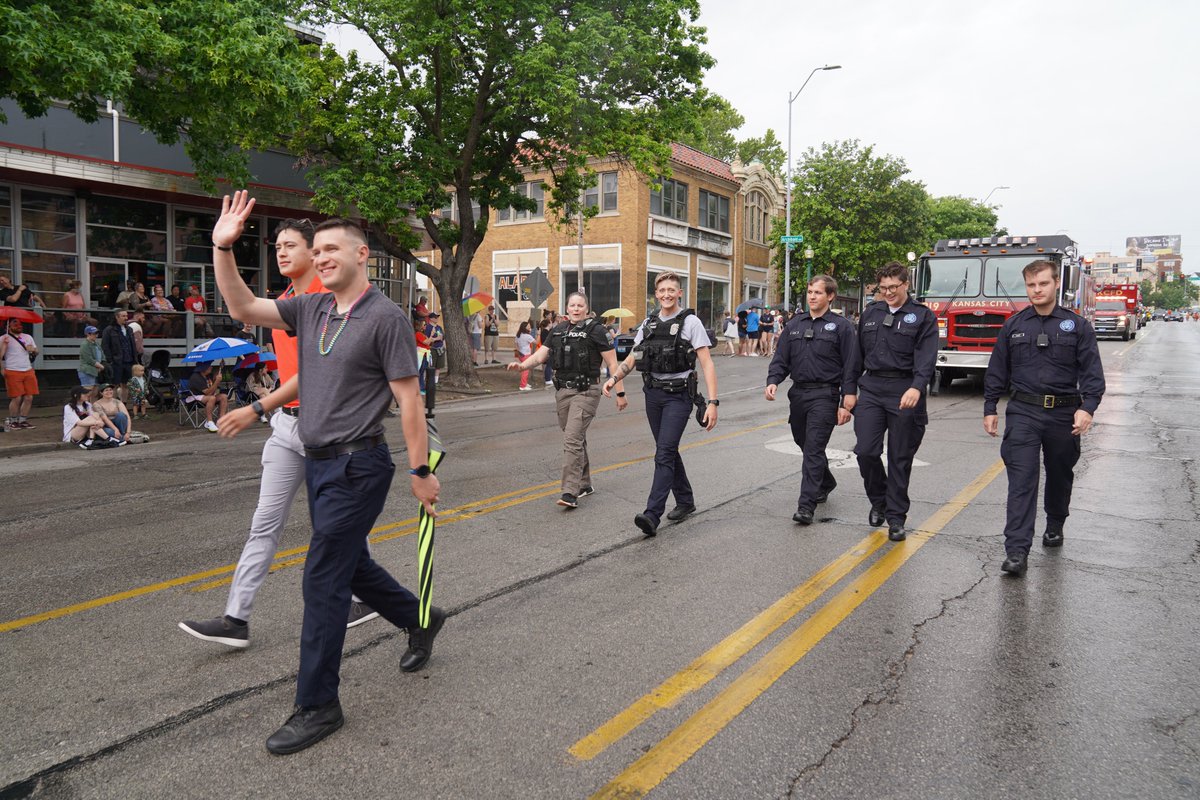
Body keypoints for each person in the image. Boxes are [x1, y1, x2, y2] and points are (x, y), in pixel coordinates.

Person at [210, 192, 442, 755]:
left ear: (362, 254)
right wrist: (222, 248)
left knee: (321, 579)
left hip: (360, 464)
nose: (323, 256)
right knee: (350, 564)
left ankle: (318, 705)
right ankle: (420, 619)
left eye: (333, 248)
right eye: (318, 250)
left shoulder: (385, 318)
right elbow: (244, 309)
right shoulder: (310, 308)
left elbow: (408, 402)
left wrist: (419, 470)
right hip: (317, 462)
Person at [180, 218, 378, 654]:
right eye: (277, 246)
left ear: (316, 253)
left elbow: (316, 372)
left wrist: (256, 406)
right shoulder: (287, 301)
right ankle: (236, 619)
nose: (282, 253)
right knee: (264, 525)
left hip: (327, 428)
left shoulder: (329, 302)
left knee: (337, 525)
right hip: (287, 427)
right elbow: (241, 307)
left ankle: (366, 596)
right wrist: (222, 246)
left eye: (291, 245)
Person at [983, 259, 1105, 576]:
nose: (1037, 290)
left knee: (1060, 473)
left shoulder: (1077, 326)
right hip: (1024, 410)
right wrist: (990, 407)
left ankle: (1055, 522)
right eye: (1031, 285)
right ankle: (1017, 552)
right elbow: (997, 369)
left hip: (1064, 412)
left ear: (1055, 284)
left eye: (1043, 284)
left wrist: (1087, 407)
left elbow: (1092, 374)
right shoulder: (1014, 325)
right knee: (1021, 481)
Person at [603, 271, 718, 537]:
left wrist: (713, 402)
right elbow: (633, 357)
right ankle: (686, 500)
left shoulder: (691, 322)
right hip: (653, 395)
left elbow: (707, 363)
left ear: (679, 293)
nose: (666, 294)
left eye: (672, 290)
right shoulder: (649, 323)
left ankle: (652, 515)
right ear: (656, 294)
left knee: (664, 452)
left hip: (679, 396)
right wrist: (615, 379)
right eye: (662, 290)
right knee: (667, 449)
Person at [507, 292, 628, 508]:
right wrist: (522, 366)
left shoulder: (596, 330)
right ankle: (584, 483)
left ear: (586, 308)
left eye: (580, 305)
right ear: (567, 307)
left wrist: (620, 392)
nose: (576, 308)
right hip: (563, 392)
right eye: (572, 305)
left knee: (572, 439)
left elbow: (612, 364)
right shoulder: (558, 330)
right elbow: (541, 355)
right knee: (576, 437)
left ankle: (570, 492)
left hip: (587, 391)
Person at [851, 261, 938, 542]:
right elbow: (856, 355)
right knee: (865, 451)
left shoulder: (922, 316)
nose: (888, 293)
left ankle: (896, 518)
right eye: (883, 288)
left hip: (905, 389)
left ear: (906, 284)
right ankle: (880, 500)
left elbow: (927, 356)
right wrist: (848, 391)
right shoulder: (871, 313)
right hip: (873, 388)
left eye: (893, 287)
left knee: (900, 457)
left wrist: (917, 387)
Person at [765, 276, 860, 525]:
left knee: (814, 448)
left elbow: (851, 364)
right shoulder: (795, 324)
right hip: (798, 394)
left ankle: (806, 506)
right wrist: (773, 380)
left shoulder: (842, 326)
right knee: (803, 442)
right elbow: (781, 358)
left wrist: (846, 399)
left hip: (825, 394)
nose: (812, 297)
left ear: (830, 296)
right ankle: (826, 481)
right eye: (809, 292)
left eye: (818, 292)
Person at [1, 319, 40, 430]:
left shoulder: (27, 337)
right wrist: (2, 368)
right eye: (15, 324)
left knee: (29, 397)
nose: (19, 326)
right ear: (8, 326)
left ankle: (23, 420)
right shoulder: (4, 338)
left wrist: (33, 350)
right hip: (13, 370)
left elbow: (37, 351)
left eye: (20, 324)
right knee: (16, 397)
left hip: (27, 369)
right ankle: (13, 420)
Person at [101, 310, 136, 403]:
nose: (126, 318)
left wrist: (135, 359)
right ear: (117, 317)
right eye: (123, 316)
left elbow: (132, 345)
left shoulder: (129, 329)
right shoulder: (109, 330)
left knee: (126, 384)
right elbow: (105, 346)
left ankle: (123, 403)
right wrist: (110, 360)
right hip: (116, 361)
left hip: (129, 360)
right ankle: (113, 404)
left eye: (126, 316)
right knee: (115, 384)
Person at [186, 362, 229, 432]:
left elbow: (211, 391)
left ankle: (221, 420)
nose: (211, 367)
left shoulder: (208, 375)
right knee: (212, 398)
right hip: (194, 397)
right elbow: (208, 392)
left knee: (223, 396)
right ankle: (209, 422)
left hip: (206, 396)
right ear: (203, 368)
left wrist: (221, 367)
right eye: (209, 366)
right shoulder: (196, 377)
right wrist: (216, 382)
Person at [423, 312, 445, 383]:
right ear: (431, 319)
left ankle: (436, 381)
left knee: (438, 366)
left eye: (437, 317)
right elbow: (427, 339)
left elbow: (442, 337)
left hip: (440, 348)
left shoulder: (439, 327)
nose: (437, 318)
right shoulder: (428, 327)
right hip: (432, 348)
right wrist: (435, 338)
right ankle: (429, 381)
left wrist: (439, 339)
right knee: (431, 365)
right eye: (435, 317)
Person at [514, 321, 536, 390]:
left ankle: (525, 383)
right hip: (526, 355)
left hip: (521, 354)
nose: (530, 327)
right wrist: (539, 334)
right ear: (525, 328)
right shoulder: (527, 336)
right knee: (525, 371)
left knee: (524, 369)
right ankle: (523, 386)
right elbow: (536, 342)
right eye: (528, 326)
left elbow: (516, 344)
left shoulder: (518, 335)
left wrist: (517, 353)